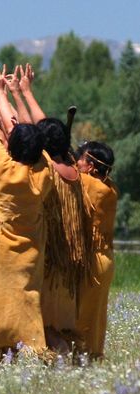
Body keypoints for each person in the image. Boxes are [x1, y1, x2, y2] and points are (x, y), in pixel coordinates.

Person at [0, 65, 52, 355]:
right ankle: (33, 347)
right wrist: (9, 94)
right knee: (28, 300)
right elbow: (33, 137)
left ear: (12, 147)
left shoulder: (1, 168)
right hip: (30, 254)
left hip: (0, 253)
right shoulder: (43, 174)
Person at [36, 118, 91, 352]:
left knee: (47, 325)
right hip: (70, 261)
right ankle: (65, 362)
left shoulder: (47, 168)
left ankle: (61, 365)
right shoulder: (73, 168)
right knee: (60, 325)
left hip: (52, 259)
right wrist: (21, 94)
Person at [76, 142, 118, 357]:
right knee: (96, 312)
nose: (76, 162)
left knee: (85, 311)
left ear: (91, 167)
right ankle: (92, 353)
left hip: (93, 258)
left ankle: (82, 355)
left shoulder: (90, 185)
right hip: (106, 258)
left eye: (81, 159)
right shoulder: (110, 187)